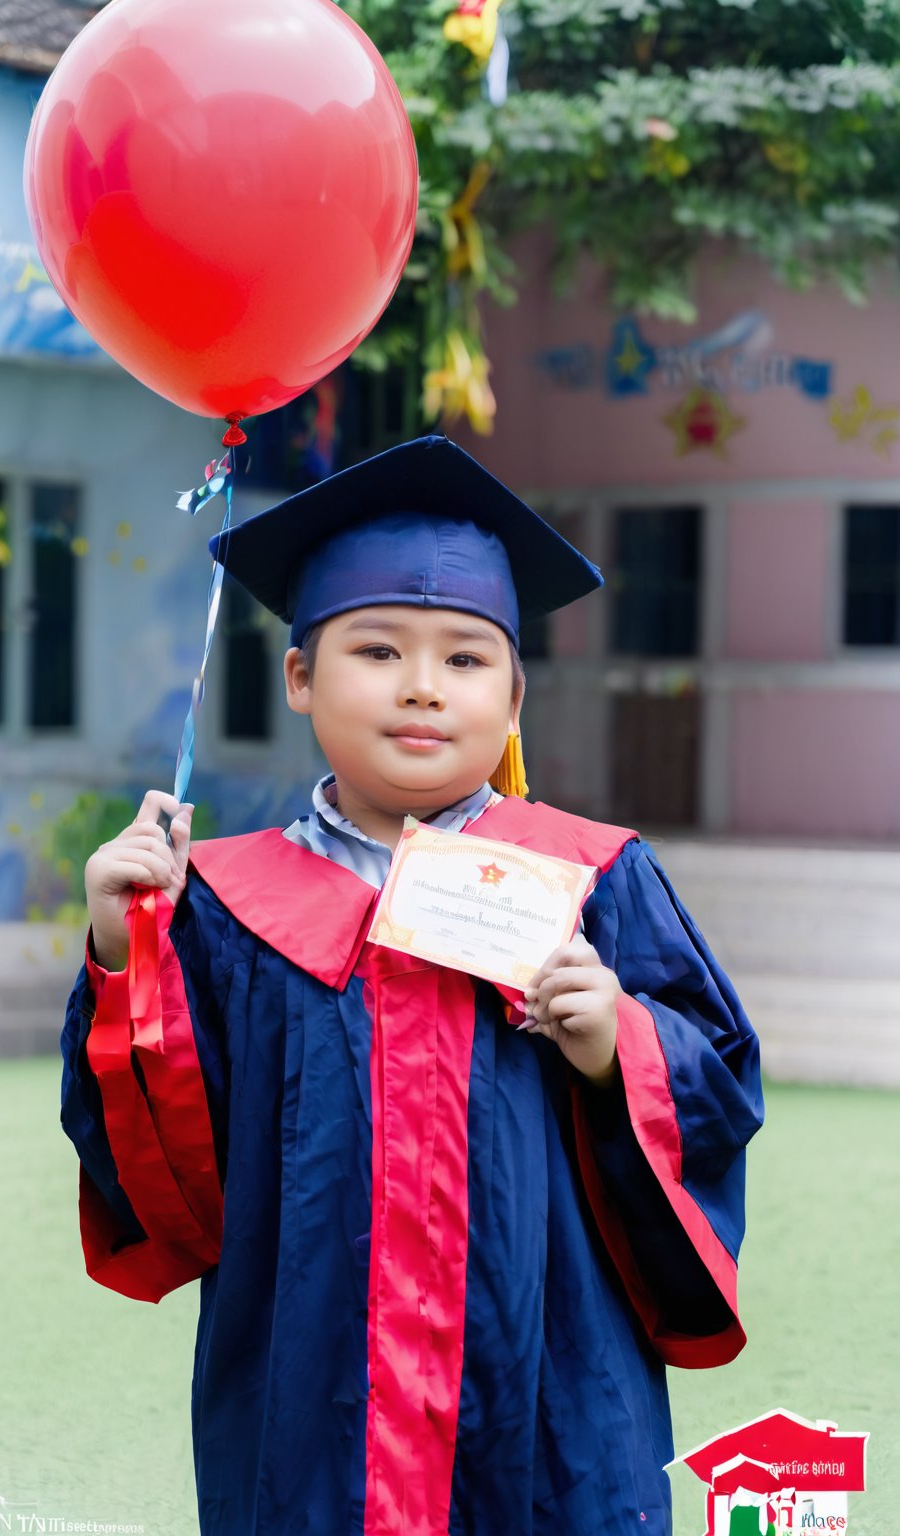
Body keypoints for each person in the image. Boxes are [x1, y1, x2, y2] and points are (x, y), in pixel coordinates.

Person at [61, 435, 763, 1536]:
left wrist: (615, 1041)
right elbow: (171, 1183)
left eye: (467, 660)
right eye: (378, 651)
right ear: (299, 676)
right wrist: (122, 953)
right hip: (312, 1404)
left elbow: (718, 1092)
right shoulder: (227, 906)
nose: (424, 689)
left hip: (548, 1395)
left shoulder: (594, 878)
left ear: (516, 693)